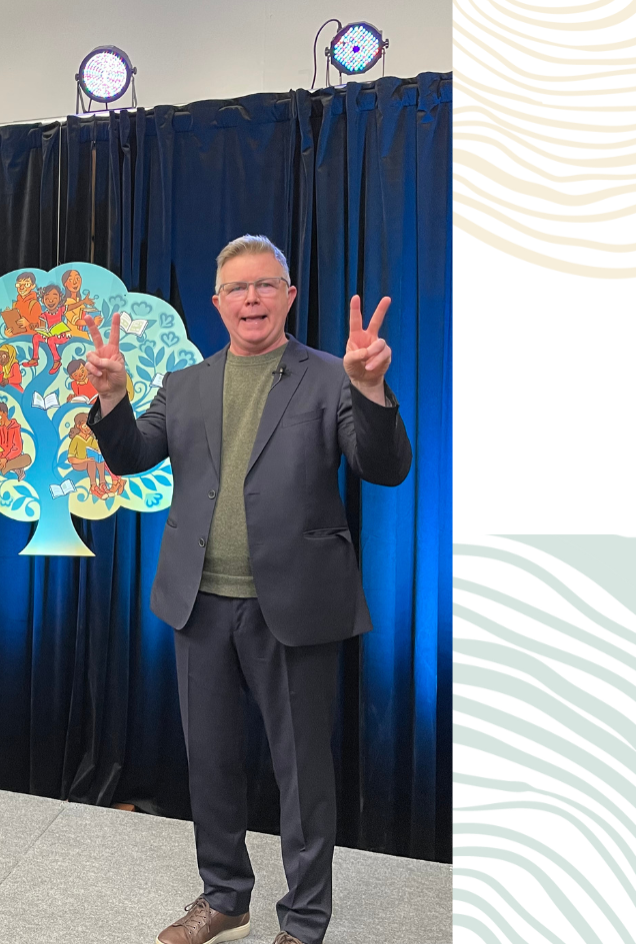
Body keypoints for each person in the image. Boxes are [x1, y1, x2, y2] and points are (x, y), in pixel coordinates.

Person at [83, 235, 411, 944]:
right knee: (211, 763)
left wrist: (371, 389)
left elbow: (383, 468)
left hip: (294, 605)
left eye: (267, 285)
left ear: (290, 296)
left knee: (303, 776)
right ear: (218, 303)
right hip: (198, 603)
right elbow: (134, 456)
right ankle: (225, 896)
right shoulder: (187, 383)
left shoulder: (330, 376)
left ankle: (303, 921)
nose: (252, 298)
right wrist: (113, 400)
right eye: (238, 288)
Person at [0, 399, 32, 481]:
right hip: (2, 458)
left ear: (5, 414)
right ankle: (14, 468)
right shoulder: (0, 429)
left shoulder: (15, 427)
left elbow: (18, 448)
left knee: (27, 458)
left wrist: (6, 459)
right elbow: (0, 447)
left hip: (14, 456)